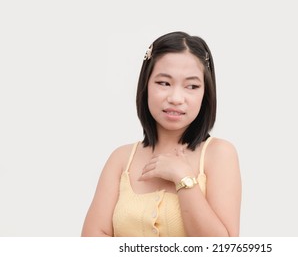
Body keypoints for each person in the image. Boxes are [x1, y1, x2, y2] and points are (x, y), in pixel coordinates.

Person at [81, 31, 241, 237]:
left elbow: (223, 247)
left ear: (205, 93)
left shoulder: (219, 154)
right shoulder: (121, 159)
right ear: (146, 85)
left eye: (192, 86)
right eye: (164, 83)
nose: (176, 98)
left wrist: (183, 177)